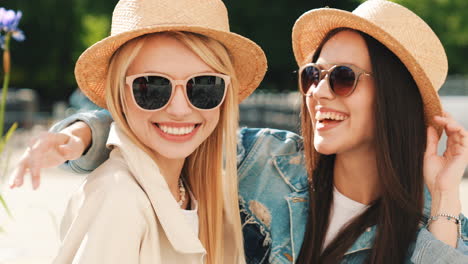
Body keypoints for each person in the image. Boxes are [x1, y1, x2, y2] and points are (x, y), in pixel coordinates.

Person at [10, 0, 468, 263]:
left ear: (394, 99)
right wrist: (82, 135)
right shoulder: (262, 158)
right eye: (312, 75)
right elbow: (173, 122)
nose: (319, 93)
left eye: (342, 77)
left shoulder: (435, 229)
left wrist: (447, 198)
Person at [11, 0, 268, 263]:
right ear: (119, 95)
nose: (179, 109)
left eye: (204, 86)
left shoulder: (193, 193)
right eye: (152, 87)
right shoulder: (118, 196)